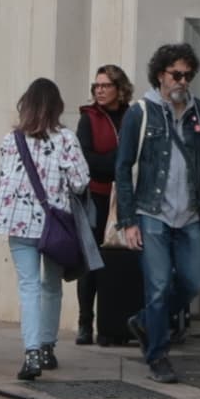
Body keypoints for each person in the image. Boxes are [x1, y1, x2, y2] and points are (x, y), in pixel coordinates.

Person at [111, 41, 200, 382]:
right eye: (176, 74)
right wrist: (128, 220)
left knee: (192, 282)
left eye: (188, 75)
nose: (182, 81)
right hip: (152, 212)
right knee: (160, 284)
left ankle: (146, 321)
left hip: (190, 213)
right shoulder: (141, 112)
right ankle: (158, 355)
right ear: (160, 75)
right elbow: (123, 169)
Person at [0, 76, 89, 382]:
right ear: (57, 107)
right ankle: (46, 347)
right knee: (51, 286)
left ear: (25, 105)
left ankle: (30, 353)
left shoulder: (10, 141)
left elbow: (2, 181)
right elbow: (81, 181)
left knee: (28, 287)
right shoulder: (66, 139)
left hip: (18, 221)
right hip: (54, 224)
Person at [74, 65, 139, 351]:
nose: (99, 90)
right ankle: (85, 322)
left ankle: (115, 324)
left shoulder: (133, 116)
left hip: (128, 196)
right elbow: (86, 161)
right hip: (97, 197)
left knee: (122, 259)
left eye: (106, 85)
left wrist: (116, 163)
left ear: (119, 88)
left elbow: (139, 154)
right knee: (92, 261)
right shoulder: (88, 118)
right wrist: (119, 161)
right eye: (96, 85)